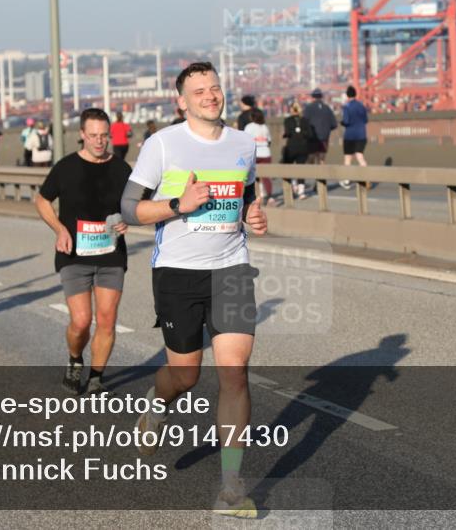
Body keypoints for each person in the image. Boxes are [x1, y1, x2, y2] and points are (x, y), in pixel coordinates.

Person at [120, 61, 266, 518]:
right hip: (178, 272)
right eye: (199, 91)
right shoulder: (163, 143)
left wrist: (255, 215)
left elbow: (248, 194)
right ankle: (157, 403)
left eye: (215, 88)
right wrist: (177, 205)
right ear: (181, 101)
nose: (210, 96)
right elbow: (128, 207)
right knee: (184, 374)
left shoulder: (244, 143)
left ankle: (230, 487)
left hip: (232, 268)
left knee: (234, 372)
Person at [34, 109, 132, 395]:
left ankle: (96, 377)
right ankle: (75, 359)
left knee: (107, 319)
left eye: (104, 136)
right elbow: (41, 200)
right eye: (93, 136)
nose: (100, 142)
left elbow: (138, 205)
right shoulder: (66, 168)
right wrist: (59, 229)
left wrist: (130, 218)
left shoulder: (122, 169)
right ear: (81, 135)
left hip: (111, 253)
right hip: (74, 254)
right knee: (80, 322)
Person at [282, 101, 314, 200]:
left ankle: (293, 187)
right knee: (301, 169)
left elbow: (287, 133)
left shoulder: (287, 120)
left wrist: (286, 135)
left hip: (291, 147)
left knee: (289, 168)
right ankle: (301, 191)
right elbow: (310, 135)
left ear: (291, 109)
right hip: (303, 148)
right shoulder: (305, 120)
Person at [244, 109, 276, 205]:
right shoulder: (265, 127)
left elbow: (245, 140)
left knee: (253, 176)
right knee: (266, 176)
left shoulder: (249, 127)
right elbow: (269, 141)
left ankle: (258, 194)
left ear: (252, 117)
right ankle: (270, 196)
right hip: (266, 153)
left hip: (255, 153)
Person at [339, 86, 369, 189]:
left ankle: (347, 180)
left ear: (347, 95)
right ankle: (366, 177)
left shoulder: (347, 107)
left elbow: (346, 121)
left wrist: (342, 122)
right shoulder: (361, 106)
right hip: (362, 135)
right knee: (360, 156)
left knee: (348, 158)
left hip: (350, 136)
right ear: (355, 94)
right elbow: (365, 120)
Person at [303, 88, 337, 164]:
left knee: (311, 159)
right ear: (321, 96)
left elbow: (304, 123)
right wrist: (326, 129)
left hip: (312, 138)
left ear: (313, 97)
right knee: (321, 159)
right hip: (324, 138)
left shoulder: (309, 108)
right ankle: (321, 175)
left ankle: (311, 175)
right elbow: (334, 124)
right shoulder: (327, 108)